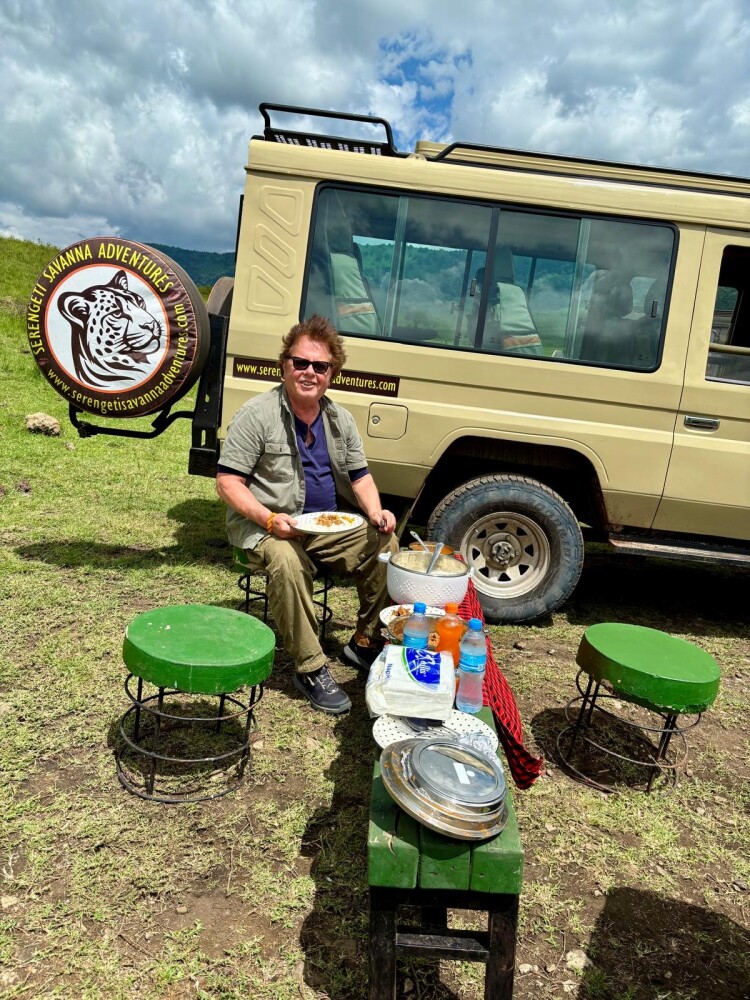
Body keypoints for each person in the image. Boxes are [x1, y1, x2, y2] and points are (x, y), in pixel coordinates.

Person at [216, 315, 399, 715]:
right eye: (300, 362)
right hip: (267, 528)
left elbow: (360, 476)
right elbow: (227, 482)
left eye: (320, 366)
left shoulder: (340, 419)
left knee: (386, 542)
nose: (309, 372)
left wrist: (376, 511)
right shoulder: (257, 414)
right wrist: (269, 520)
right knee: (287, 560)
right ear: (284, 365)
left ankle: (364, 642)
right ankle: (311, 667)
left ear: (332, 373)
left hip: (324, 527)